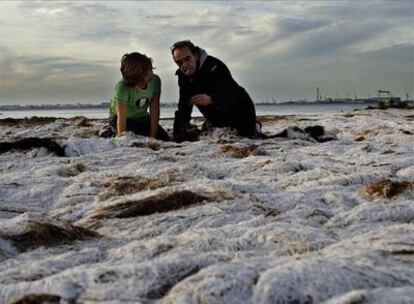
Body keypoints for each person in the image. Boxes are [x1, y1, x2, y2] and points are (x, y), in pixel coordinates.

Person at [170, 40, 261, 141]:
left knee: (241, 136)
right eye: (179, 62)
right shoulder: (183, 76)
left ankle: (254, 127)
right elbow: (183, 107)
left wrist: (212, 99)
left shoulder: (215, 66)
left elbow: (231, 94)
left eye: (187, 59)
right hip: (215, 118)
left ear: (195, 55)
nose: (185, 65)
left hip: (240, 112)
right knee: (199, 134)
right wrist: (176, 135)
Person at [99, 52, 170, 141]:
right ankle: (109, 130)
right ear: (139, 74)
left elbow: (154, 109)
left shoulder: (155, 81)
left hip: (142, 118)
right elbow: (121, 116)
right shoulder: (122, 87)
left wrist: (153, 135)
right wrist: (121, 137)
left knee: (165, 139)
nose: (152, 71)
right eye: (149, 69)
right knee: (129, 137)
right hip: (122, 118)